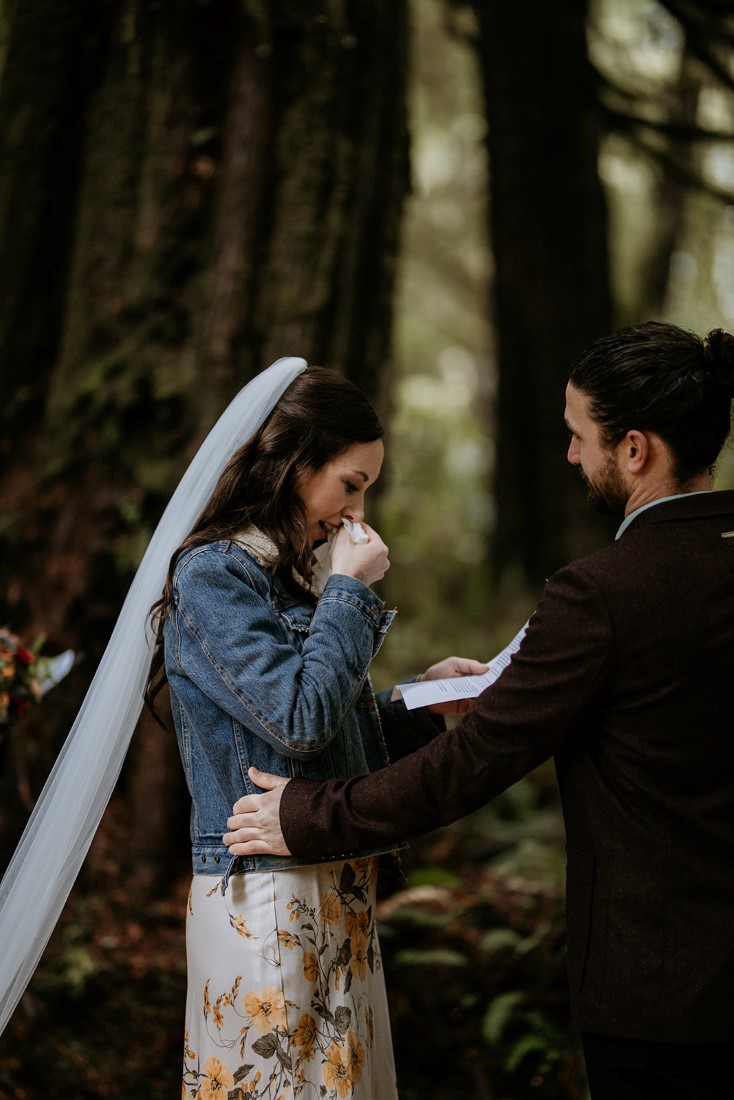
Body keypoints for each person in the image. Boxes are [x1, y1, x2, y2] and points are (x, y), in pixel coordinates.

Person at [223, 322, 734, 1100]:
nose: (569, 456)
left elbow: (472, 766)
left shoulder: (602, 594)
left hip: (662, 989)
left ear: (634, 450)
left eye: (578, 436)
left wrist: (311, 815)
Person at [145, 364, 485, 1100]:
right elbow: (296, 722)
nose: (356, 509)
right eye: (350, 483)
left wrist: (423, 701)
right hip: (267, 901)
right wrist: (349, 590)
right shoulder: (214, 577)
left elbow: (322, 727)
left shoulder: (290, 577)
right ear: (296, 466)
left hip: (334, 882)